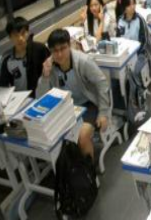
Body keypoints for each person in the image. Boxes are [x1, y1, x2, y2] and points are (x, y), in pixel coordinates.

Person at [38, 29, 111, 160]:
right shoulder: (50, 66)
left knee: (82, 136)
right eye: (55, 51)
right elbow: (40, 98)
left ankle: (88, 170)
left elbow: (102, 84)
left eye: (63, 48)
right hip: (66, 108)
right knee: (51, 136)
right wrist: (45, 77)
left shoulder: (83, 61)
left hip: (88, 104)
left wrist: (103, 113)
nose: (59, 54)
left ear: (69, 45)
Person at [0, 17, 51, 97]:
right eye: (15, 35)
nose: (20, 38)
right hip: (20, 99)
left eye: (23, 33)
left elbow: (52, 73)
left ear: (28, 32)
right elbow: (3, 85)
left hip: (42, 95)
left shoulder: (40, 49)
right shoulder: (7, 59)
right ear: (10, 37)